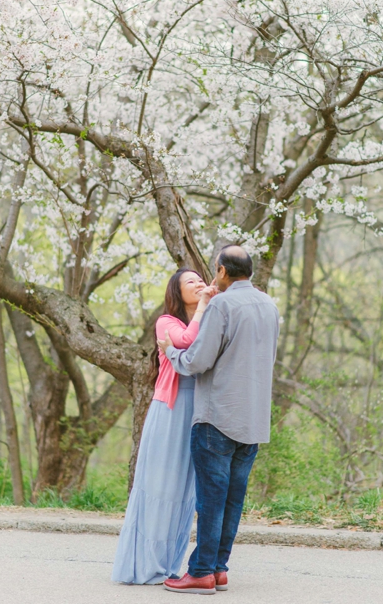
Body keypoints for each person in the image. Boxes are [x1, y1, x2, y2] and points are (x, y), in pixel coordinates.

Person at [157, 245, 279, 595]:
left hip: (218, 417)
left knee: (211, 499)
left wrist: (171, 353)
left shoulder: (223, 305)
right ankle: (219, 568)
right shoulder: (269, 305)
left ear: (222, 271)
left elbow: (197, 361)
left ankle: (200, 572)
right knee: (232, 500)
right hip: (253, 419)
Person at [112, 269, 217, 585]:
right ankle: (145, 564)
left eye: (201, 280)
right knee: (161, 486)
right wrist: (203, 307)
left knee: (183, 490)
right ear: (176, 291)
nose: (199, 284)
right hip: (170, 408)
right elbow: (185, 342)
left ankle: (170, 563)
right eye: (191, 282)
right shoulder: (166, 322)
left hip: (197, 409)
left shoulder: (208, 318)